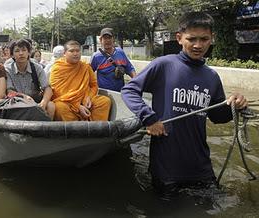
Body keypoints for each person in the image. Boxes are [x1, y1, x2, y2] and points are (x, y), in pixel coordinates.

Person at [121, 12, 248, 197]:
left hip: (200, 165)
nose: (198, 45)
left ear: (212, 39)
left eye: (204, 39)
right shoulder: (163, 65)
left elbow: (218, 117)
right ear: (179, 38)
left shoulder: (212, 77)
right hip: (167, 166)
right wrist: (149, 118)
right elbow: (129, 90)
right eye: (192, 39)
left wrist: (235, 106)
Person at [50, 40, 111, 121]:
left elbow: (93, 85)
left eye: (78, 51)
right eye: (71, 51)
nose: (75, 54)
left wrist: (88, 97)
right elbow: (57, 93)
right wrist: (77, 106)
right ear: (64, 53)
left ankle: (96, 129)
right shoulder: (57, 68)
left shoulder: (85, 67)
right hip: (67, 102)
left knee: (104, 101)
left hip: (85, 99)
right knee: (59, 107)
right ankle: (74, 131)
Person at [4, 39, 55, 120]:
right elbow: (9, 92)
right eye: (17, 51)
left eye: (24, 50)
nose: (21, 53)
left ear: (29, 53)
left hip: (35, 101)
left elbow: (47, 88)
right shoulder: (8, 69)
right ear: (12, 55)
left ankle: (46, 131)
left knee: (51, 105)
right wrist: (24, 97)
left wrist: (43, 103)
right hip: (16, 102)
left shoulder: (37, 68)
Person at [90, 27, 136, 92]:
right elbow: (89, 74)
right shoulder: (96, 56)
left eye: (109, 38)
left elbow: (129, 68)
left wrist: (136, 82)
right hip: (104, 93)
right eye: (105, 38)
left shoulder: (120, 52)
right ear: (100, 40)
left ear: (113, 39)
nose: (107, 40)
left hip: (120, 92)